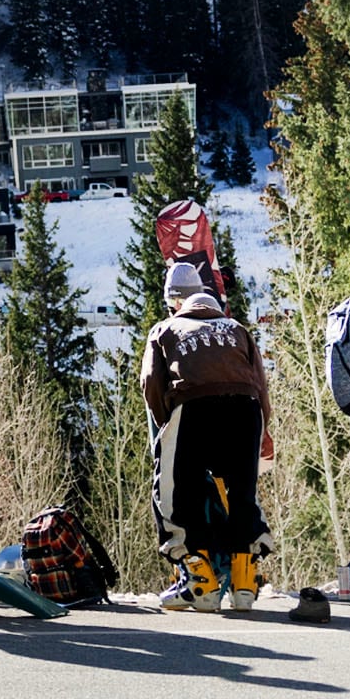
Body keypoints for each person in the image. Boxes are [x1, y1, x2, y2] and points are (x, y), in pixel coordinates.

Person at [138, 259, 273, 613]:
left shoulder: (165, 330)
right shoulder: (237, 329)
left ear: (176, 303)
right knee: (242, 493)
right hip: (246, 411)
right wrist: (263, 429)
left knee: (175, 492)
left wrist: (166, 428)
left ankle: (200, 582)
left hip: (194, 408)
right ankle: (244, 584)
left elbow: (151, 384)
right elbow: (260, 385)